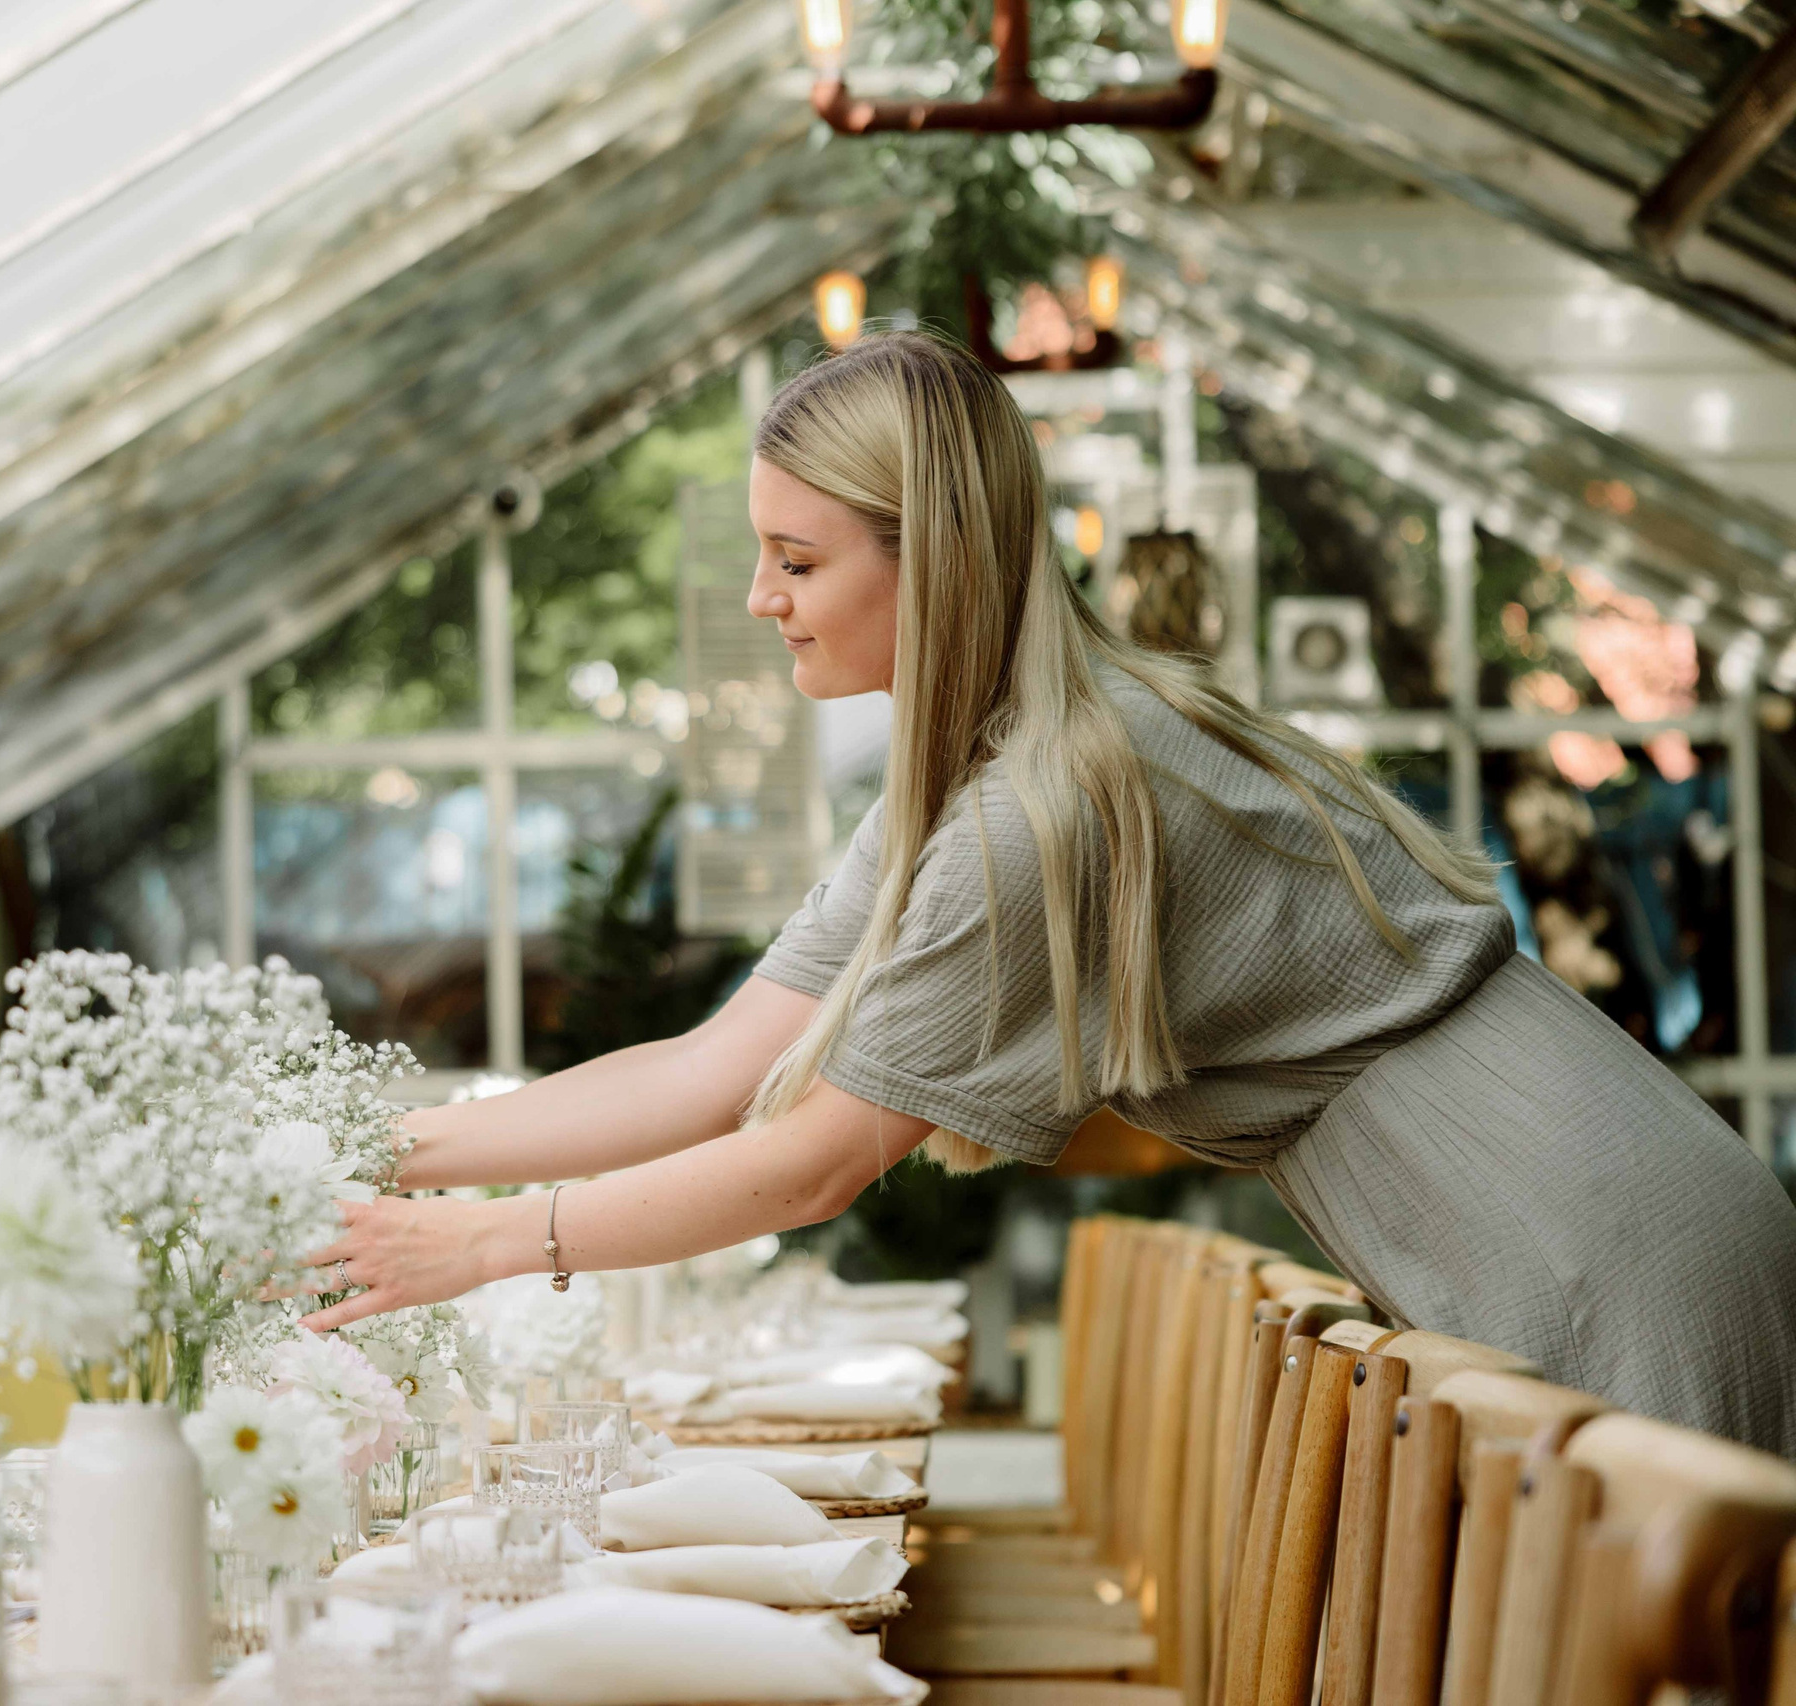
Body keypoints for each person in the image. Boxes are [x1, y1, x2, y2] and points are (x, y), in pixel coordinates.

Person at [302, 330, 1796, 1454]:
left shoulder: (1043, 809)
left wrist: (494, 1241)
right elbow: (711, 1070)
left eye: (794, 558)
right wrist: (353, 1145)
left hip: (1584, 1226)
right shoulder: (985, 771)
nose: (760, 598)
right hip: (1542, 1184)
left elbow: (806, 1165)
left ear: (930, 557)